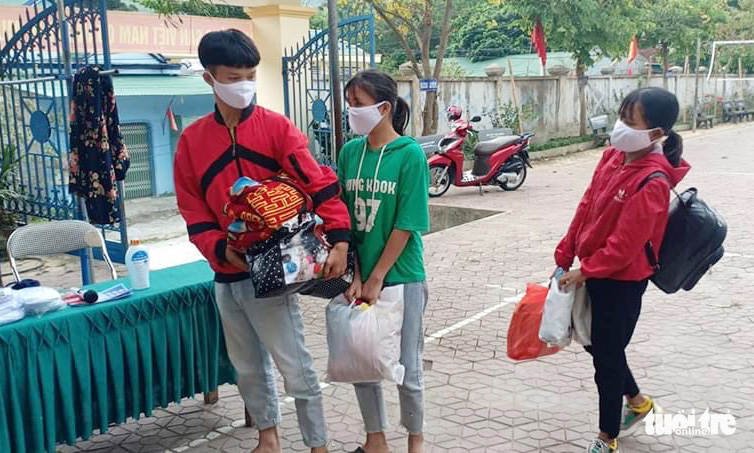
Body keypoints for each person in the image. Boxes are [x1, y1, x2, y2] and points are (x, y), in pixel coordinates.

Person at [173, 29, 351, 453]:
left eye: (250, 75)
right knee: (247, 366)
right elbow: (192, 208)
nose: (244, 85)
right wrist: (219, 249)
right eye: (233, 77)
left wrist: (341, 240)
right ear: (209, 78)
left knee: (295, 363)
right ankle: (268, 438)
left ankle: (318, 445)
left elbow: (318, 182)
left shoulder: (276, 127)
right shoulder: (193, 142)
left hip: (277, 267)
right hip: (227, 272)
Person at [554, 87, 691, 453]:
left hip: (623, 281)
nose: (620, 127)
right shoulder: (613, 157)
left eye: (630, 121)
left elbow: (625, 245)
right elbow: (587, 205)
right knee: (599, 345)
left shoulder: (653, 181)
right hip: (595, 271)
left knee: (606, 358)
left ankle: (607, 436)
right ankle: (638, 402)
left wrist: (585, 271)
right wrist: (566, 250)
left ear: (656, 133)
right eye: (621, 117)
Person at [337, 70, 430, 453]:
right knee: (362, 360)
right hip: (361, 277)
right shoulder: (349, 153)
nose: (351, 111)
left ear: (384, 108)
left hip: (403, 276)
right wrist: (358, 274)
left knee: (408, 366)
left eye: (357, 104)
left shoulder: (410, 154)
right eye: (349, 104)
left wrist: (377, 276)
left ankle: (415, 440)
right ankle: (375, 440)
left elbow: (407, 222)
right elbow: (344, 220)